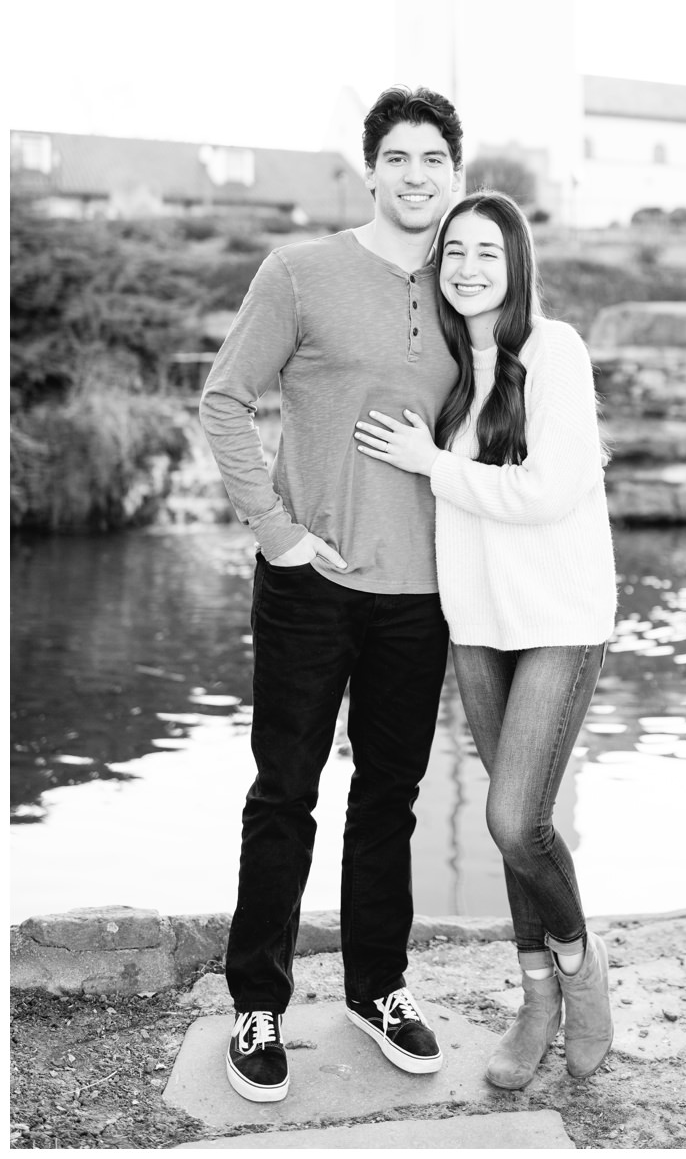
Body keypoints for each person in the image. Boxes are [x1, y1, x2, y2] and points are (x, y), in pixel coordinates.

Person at [200, 87, 465, 1103]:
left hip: (420, 592)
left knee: (389, 799)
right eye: (397, 156)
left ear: (451, 169)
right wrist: (276, 529)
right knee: (285, 796)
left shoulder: (465, 287)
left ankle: (378, 989)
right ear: (372, 168)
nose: (414, 173)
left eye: (432, 157)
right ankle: (258, 1004)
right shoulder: (300, 272)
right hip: (310, 585)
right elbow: (224, 397)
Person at [354, 189, 617, 1088]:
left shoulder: (556, 351)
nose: (467, 267)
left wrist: (434, 464)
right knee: (514, 836)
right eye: (453, 252)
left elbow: (550, 490)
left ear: (516, 263)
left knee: (515, 819)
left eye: (486, 252)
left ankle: (581, 971)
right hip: (478, 628)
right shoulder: (454, 377)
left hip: (558, 621)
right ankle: (534, 994)